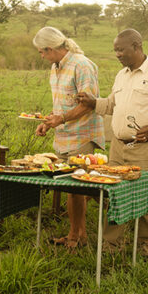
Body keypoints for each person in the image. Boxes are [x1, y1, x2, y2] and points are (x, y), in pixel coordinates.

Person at [76, 29, 148, 257]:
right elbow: (112, 105)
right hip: (118, 147)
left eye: (121, 50)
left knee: (146, 195)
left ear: (136, 46)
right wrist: (93, 102)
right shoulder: (121, 75)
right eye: (115, 50)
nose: (117, 54)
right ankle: (112, 245)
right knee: (114, 195)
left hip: (144, 147)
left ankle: (146, 247)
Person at [33, 26, 105, 249]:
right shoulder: (55, 67)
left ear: (51, 48)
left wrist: (61, 119)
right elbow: (61, 104)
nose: (41, 56)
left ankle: (77, 236)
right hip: (64, 135)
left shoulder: (81, 65)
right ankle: (78, 235)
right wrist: (48, 122)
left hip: (82, 134)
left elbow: (88, 104)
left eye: (41, 51)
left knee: (77, 186)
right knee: (72, 186)